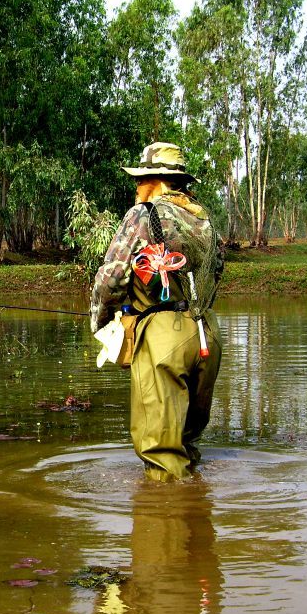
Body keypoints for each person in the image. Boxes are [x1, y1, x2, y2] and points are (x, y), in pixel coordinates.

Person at [90, 142, 223, 481]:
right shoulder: (202, 217)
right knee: (186, 444)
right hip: (206, 333)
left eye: (141, 179)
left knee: (162, 456)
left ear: (156, 181)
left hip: (163, 340)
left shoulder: (142, 215)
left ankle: (163, 522)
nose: (137, 187)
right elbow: (216, 270)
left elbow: (112, 278)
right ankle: (196, 520)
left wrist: (101, 322)